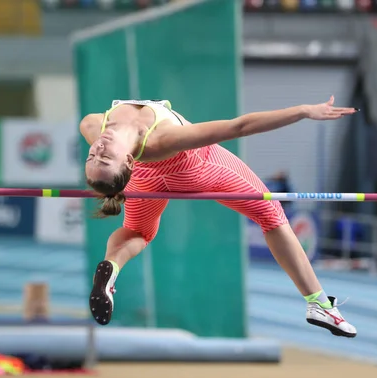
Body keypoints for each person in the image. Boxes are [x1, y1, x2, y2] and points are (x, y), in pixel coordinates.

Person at [81, 97, 358, 338]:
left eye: (92, 156)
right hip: (195, 168)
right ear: (128, 161)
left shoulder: (92, 127)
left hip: (143, 179)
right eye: (104, 160)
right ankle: (319, 305)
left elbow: (104, 153)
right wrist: (303, 111)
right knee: (270, 213)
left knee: (137, 232)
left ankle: (111, 268)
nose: (99, 150)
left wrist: (107, 164)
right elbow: (239, 126)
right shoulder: (162, 138)